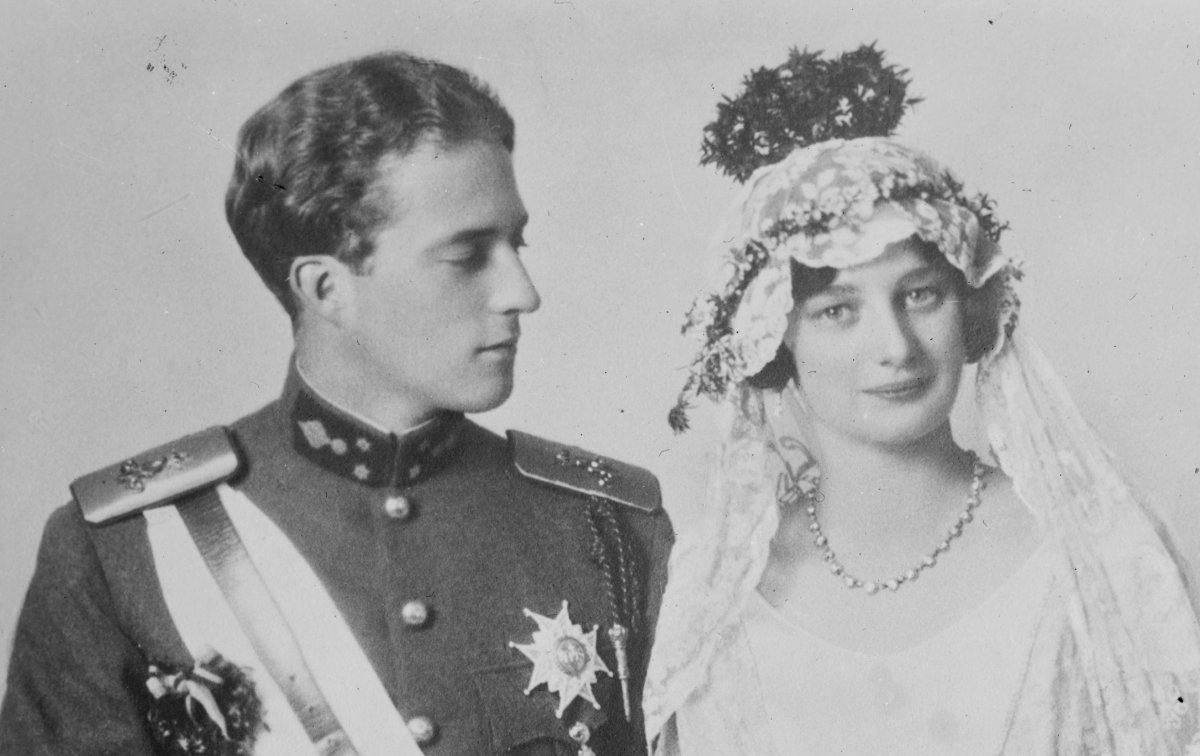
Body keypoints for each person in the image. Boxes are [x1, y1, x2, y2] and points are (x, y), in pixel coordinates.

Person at [1, 51, 672, 755]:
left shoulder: (614, 531)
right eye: (468, 254)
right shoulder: (122, 552)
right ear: (326, 290)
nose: (521, 291)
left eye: (517, 243)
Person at [643, 46, 1200, 754]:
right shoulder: (716, 590)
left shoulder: (1091, 552)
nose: (896, 347)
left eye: (919, 294)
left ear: (966, 307)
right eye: (837, 311)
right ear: (777, 342)